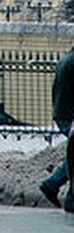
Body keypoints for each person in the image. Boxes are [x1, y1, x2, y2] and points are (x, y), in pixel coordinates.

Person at [41, 44, 74, 207]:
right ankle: (54, 185)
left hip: (63, 112)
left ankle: (63, 193)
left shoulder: (67, 60)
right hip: (70, 115)